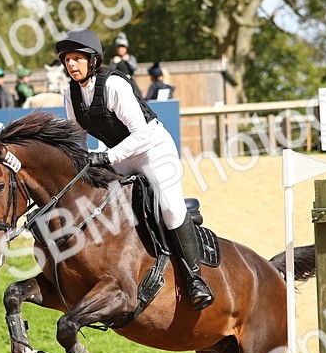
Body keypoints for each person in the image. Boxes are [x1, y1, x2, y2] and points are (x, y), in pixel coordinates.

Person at [57, 27, 213, 310]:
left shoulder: (114, 85)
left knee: (169, 207)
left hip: (152, 149)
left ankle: (195, 279)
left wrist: (105, 158)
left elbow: (140, 135)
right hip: (120, 156)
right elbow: (77, 137)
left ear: (92, 60)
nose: (70, 64)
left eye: (76, 58)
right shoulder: (71, 93)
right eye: (66, 59)